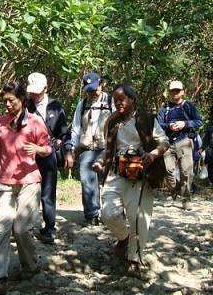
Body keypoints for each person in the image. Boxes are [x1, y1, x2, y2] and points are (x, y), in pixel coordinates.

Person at [94, 84, 169, 278]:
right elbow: (108, 150)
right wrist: (100, 162)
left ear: (132, 99)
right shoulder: (112, 121)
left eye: (122, 99)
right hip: (116, 173)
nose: (118, 103)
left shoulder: (147, 119)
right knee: (108, 213)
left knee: (138, 219)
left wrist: (153, 154)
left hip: (141, 175)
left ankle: (134, 260)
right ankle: (124, 238)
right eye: (115, 100)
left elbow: (165, 142)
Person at [0, 81, 52, 292]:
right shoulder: (0, 122)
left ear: (22, 100)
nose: (7, 104)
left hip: (29, 181)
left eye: (11, 100)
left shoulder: (35, 122)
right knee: (2, 229)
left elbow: (48, 149)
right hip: (5, 182)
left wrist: (38, 149)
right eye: (5, 101)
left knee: (22, 229)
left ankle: (31, 266)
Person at [26, 72, 69, 244]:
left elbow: (64, 132)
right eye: (32, 92)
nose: (34, 95)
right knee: (26, 191)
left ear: (45, 88)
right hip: (28, 153)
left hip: (48, 153)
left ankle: (49, 228)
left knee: (47, 192)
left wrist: (65, 149)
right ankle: (24, 227)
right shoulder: (25, 105)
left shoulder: (55, 106)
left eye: (37, 91)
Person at [63, 72, 112, 225]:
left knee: (108, 182)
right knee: (87, 181)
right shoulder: (82, 104)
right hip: (86, 148)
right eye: (89, 90)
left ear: (101, 85)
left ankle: (110, 214)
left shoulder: (111, 101)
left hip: (107, 148)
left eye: (95, 89)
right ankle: (92, 214)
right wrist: (72, 149)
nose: (93, 93)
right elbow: (76, 127)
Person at [156, 80, 203, 210]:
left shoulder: (188, 106)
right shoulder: (165, 108)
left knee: (186, 171)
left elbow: (199, 122)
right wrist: (169, 126)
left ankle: (186, 200)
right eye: (172, 91)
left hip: (184, 140)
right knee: (168, 170)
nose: (175, 93)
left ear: (182, 92)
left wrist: (185, 124)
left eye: (177, 90)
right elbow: (158, 124)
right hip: (167, 141)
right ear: (169, 92)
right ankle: (175, 189)